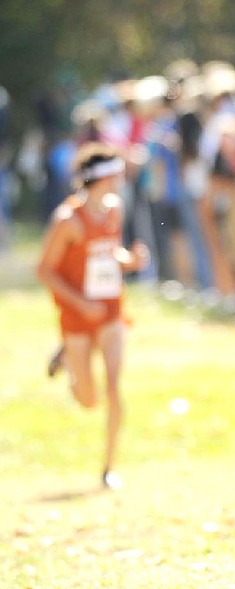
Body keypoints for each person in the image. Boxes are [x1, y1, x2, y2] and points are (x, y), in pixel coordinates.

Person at [37, 142, 149, 490]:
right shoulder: (68, 220)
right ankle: (69, 359)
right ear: (102, 178)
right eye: (116, 174)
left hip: (111, 309)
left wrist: (129, 261)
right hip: (77, 315)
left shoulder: (114, 209)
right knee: (89, 400)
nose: (121, 180)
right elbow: (45, 270)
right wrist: (81, 304)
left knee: (114, 386)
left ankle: (109, 467)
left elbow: (107, 250)